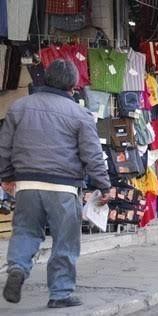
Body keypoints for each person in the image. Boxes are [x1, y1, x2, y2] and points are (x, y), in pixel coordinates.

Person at [0, 59, 111, 308]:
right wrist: (104, 186)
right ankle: (60, 294)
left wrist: (6, 176)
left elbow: (4, 147)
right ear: (73, 84)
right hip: (63, 187)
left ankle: (18, 267)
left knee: (26, 232)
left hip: (26, 184)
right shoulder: (80, 114)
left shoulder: (19, 107)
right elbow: (92, 155)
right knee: (65, 241)